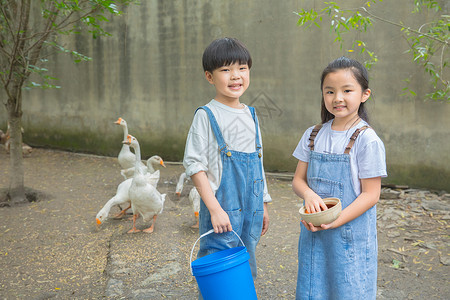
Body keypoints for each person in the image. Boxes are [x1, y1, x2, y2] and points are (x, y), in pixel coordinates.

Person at [292, 56, 387, 299]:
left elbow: (371, 194)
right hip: (314, 234)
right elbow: (298, 181)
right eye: (330, 91)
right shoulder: (313, 134)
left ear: (364, 94)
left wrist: (336, 220)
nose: (338, 98)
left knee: (349, 290)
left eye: (347, 90)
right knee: (313, 290)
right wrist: (309, 194)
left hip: (350, 237)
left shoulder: (367, 140)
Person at [183, 37, 271, 280]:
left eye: (242, 68)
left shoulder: (251, 115)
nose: (235, 76)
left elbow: (258, 161)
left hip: (251, 207)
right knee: (220, 267)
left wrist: (262, 203)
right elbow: (195, 166)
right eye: (226, 69)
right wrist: (214, 209)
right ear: (209, 77)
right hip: (221, 208)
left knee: (245, 262)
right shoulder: (206, 115)